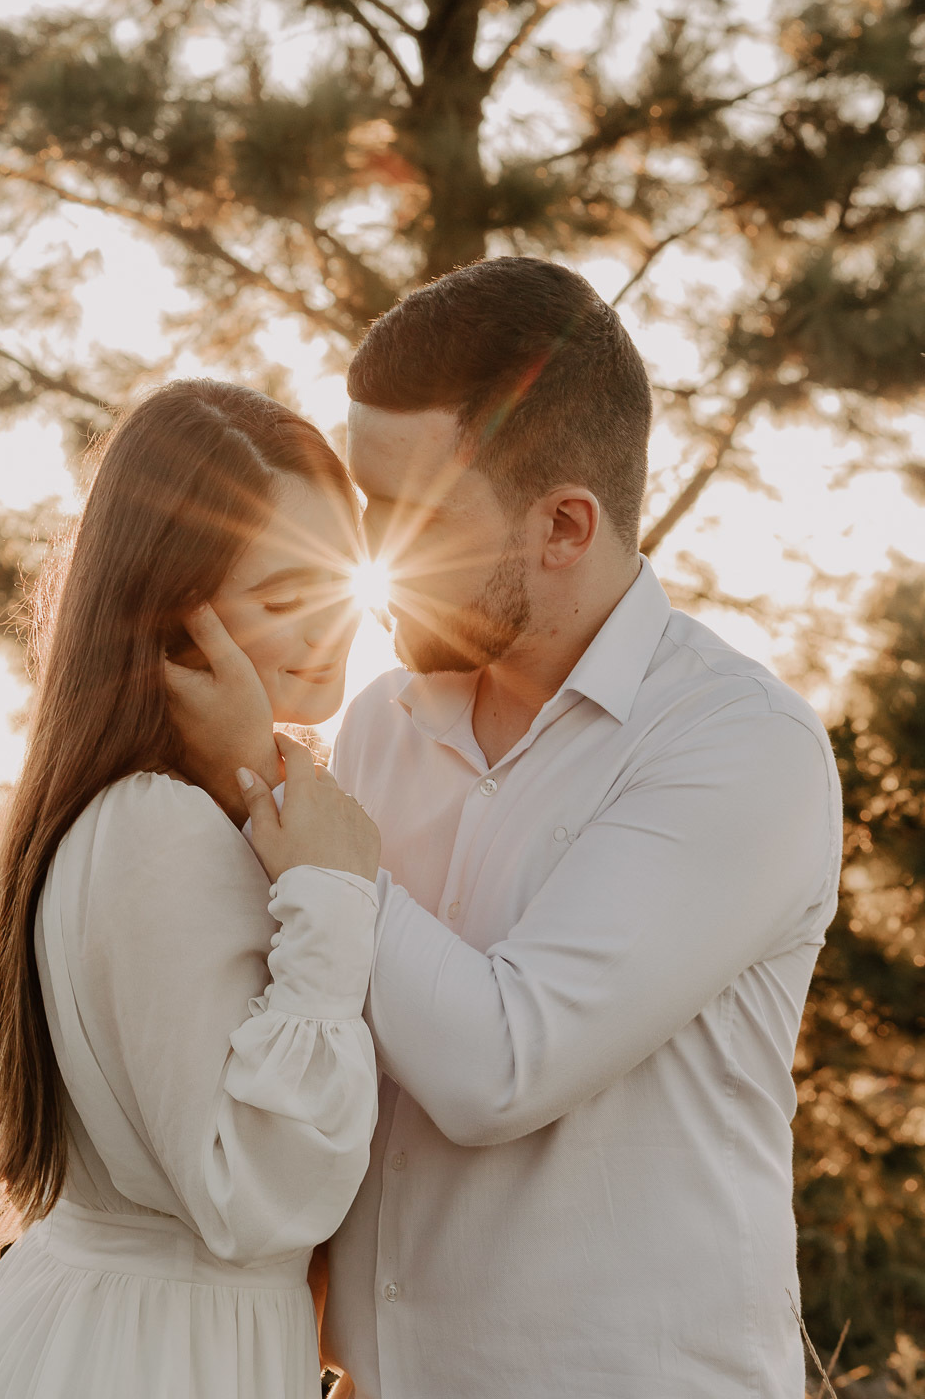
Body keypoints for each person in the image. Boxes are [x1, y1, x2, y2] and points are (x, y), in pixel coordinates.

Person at [225, 257, 842, 1399]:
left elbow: (502, 1068)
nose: (368, 553)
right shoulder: (373, 731)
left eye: (411, 517)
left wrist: (323, 852)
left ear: (564, 525)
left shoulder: (739, 746)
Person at [0, 378, 382, 1399]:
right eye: (281, 598)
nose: (327, 632)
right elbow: (255, 1193)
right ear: (178, 629)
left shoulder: (157, 815)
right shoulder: (160, 825)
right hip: (164, 1355)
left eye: (339, 583)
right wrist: (334, 896)